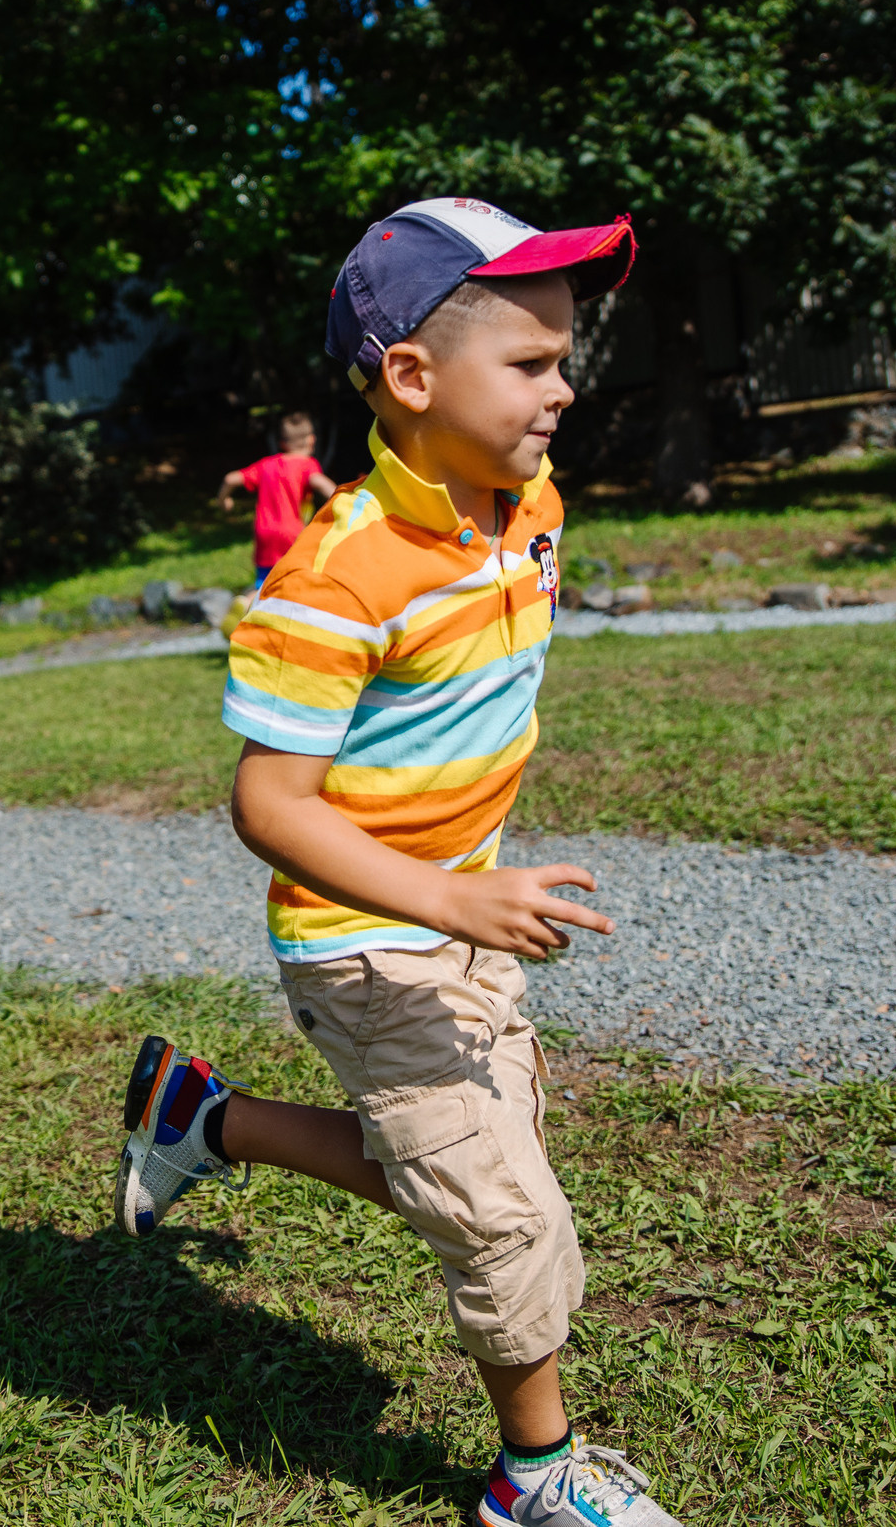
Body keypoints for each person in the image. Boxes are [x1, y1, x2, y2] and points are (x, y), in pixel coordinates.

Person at [114, 197, 681, 1527]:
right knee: (499, 1214)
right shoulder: (334, 574)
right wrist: (443, 895)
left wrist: (469, 887)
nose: (567, 383)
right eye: (532, 362)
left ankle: (203, 1116)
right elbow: (270, 801)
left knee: (463, 1169)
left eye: (564, 356)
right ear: (413, 377)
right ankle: (531, 1478)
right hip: (367, 937)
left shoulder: (531, 501)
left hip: (467, 912)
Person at [217, 410, 338, 588]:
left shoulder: (266, 464)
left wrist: (224, 501)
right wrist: (341, 498)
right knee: (296, 579)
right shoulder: (307, 465)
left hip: (264, 532)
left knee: (265, 581)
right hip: (292, 533)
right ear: (311, 440)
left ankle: (248, 601)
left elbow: (230, 479)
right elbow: (320, 482)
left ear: (282, 443)